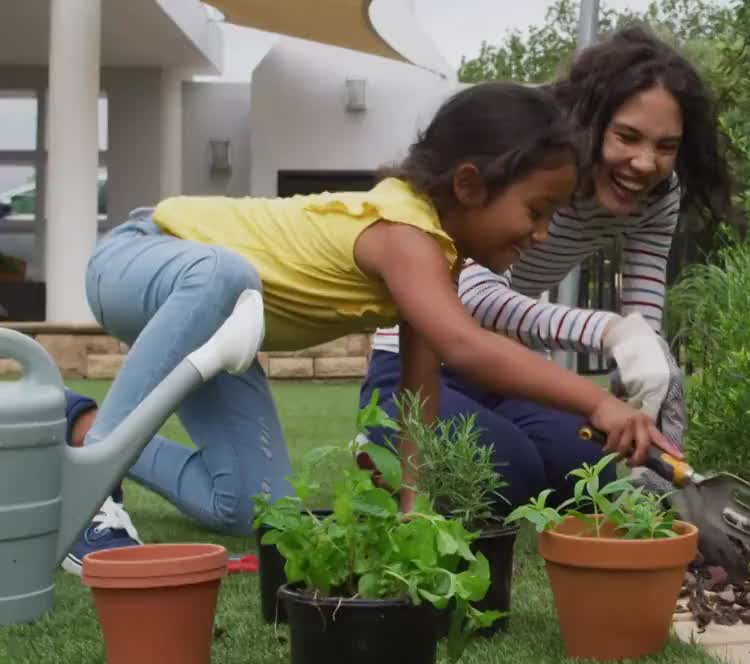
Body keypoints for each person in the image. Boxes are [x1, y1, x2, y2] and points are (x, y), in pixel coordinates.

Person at [57, 81, 677, 575]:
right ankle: (90, 497)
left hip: (217, 325)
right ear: (468, 185)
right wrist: (599, 400)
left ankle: (80, 431)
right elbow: (467, 343)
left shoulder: (440, 256)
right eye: (536, 211)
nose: (542, 233)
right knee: (225, 274)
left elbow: (419, 390)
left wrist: (413, 511)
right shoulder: (403, 230)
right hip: (140, 258)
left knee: (251, 507)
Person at [357, 25, 734, 512]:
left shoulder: (657, 198)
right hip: (416, 359)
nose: (645, 162)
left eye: (666, 146)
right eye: (627, 136)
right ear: (590, 122)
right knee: (504, 473)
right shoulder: (533, 166)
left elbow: (642, 321)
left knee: (582, 468)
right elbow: (473, 295)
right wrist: (611, 331)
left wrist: (642, 412)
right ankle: (378, 442)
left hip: (505, 371)